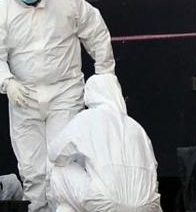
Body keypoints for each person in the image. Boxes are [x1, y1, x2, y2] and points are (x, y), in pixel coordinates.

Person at [0, 0, 115, 212]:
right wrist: (7, 82)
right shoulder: (2, 12)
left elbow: (95, 31)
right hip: (23, 95)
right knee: (32, 169)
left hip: (64, 91)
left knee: (63, 164)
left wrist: (105, 72)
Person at [48, 74, 161, 212]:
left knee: (59, 169)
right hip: (147, 206)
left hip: (105, 203)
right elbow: (153, 168)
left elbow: (55, 153)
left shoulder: (88, 118)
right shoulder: (138, 128)